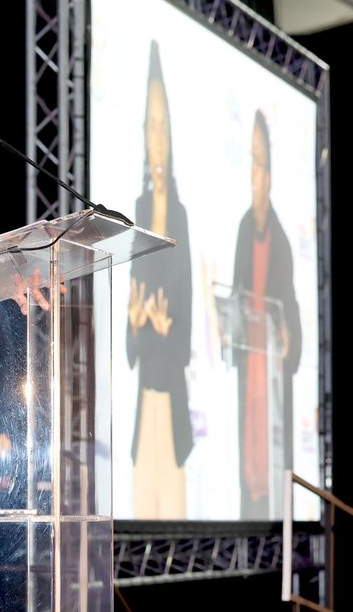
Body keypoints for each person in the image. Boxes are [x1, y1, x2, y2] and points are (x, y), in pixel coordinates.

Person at [125, 41, 193, 519]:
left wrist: (165, 327)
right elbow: (135, 304)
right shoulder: (139, 208)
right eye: (150, 126)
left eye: (163, 126)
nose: (157, 137)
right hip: (143, 396)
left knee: (172, 505)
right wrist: (136, 322)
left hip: (173, 396)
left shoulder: (182, 215)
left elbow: (183, 317)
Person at [231, 109, 302, 519]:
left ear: (271, 175)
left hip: (272, 377)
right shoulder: (243, 227)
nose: (254, 173)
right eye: (251, 162)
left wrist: (288, 338)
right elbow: (236, 296)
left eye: (260, 163)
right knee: (247, 473)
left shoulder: (283, 240)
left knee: (272, 476)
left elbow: (290, 311)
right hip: (248, 372)